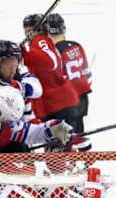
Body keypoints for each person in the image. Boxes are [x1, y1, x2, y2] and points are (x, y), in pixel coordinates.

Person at [21, 14, 80, 131]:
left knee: (66, 146)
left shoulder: (41, 40)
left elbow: (51, 61)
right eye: (25, 31)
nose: (27, 35)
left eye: (29, 31)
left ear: (40, 30)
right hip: (56, 105)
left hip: (58, 105)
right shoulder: (38, 44)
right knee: (63, 146)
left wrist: (24, 55)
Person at [45, 13, 92, 145]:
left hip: (64, 105)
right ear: (63, 28)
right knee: (80, 134)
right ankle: (85, 161)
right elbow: (88, 77)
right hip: (82, 101)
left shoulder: (52, 53)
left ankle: (71, 163)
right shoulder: (77, 46)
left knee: (66, 142)